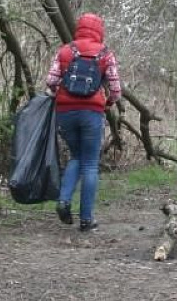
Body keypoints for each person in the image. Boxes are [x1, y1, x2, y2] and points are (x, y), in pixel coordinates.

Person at [45, 13, 122, 232]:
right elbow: (116, 89)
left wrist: (62, 95)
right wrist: (108, 102)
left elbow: (51, 81)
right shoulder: (105, 54)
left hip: (65, 113)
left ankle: (63, 200)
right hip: (92, 113)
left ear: (78, 28)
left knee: (76, 157)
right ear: (100, 30)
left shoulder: (65, 51)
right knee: (89, 164)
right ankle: (86, 219)